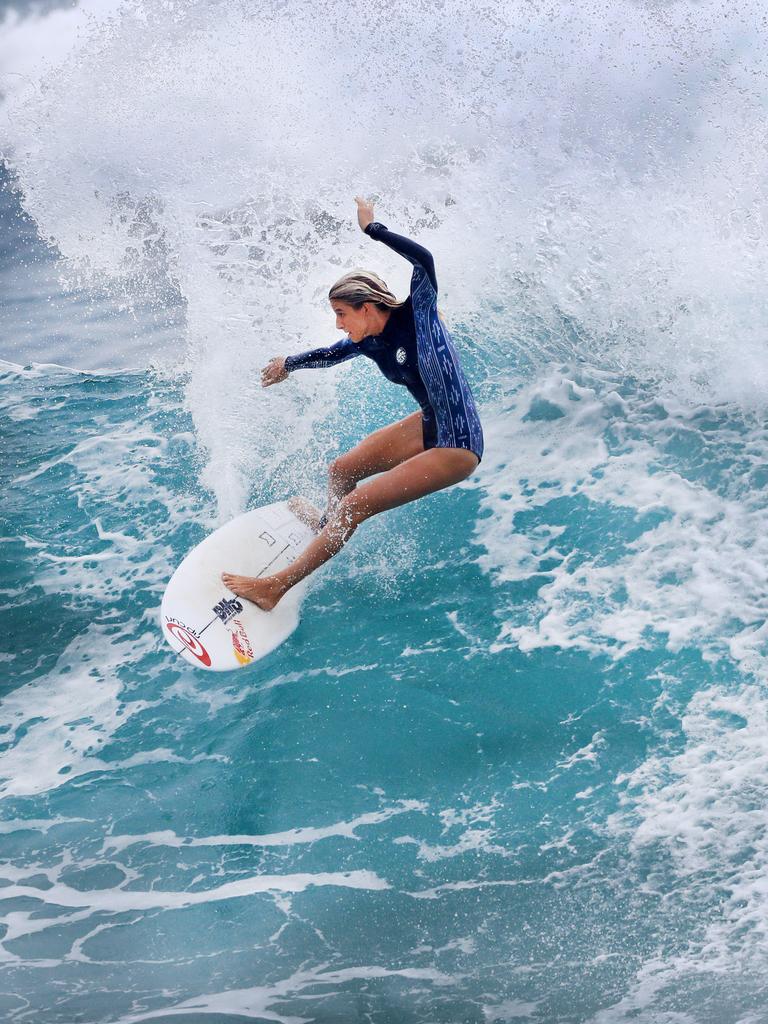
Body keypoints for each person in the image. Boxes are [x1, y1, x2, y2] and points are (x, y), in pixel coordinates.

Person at [221, 196, 484, 610]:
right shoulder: (371, 341)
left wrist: (372, 229)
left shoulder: (420, 314)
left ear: (367, 307)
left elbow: (423, 259)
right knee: (342, 471)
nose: (339, 323)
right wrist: (288, 364)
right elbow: (329, 353)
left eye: (342, 313)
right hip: (430, 424)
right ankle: (327, 528)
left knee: (355, 505)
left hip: (459, 443)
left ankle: (274, 588)